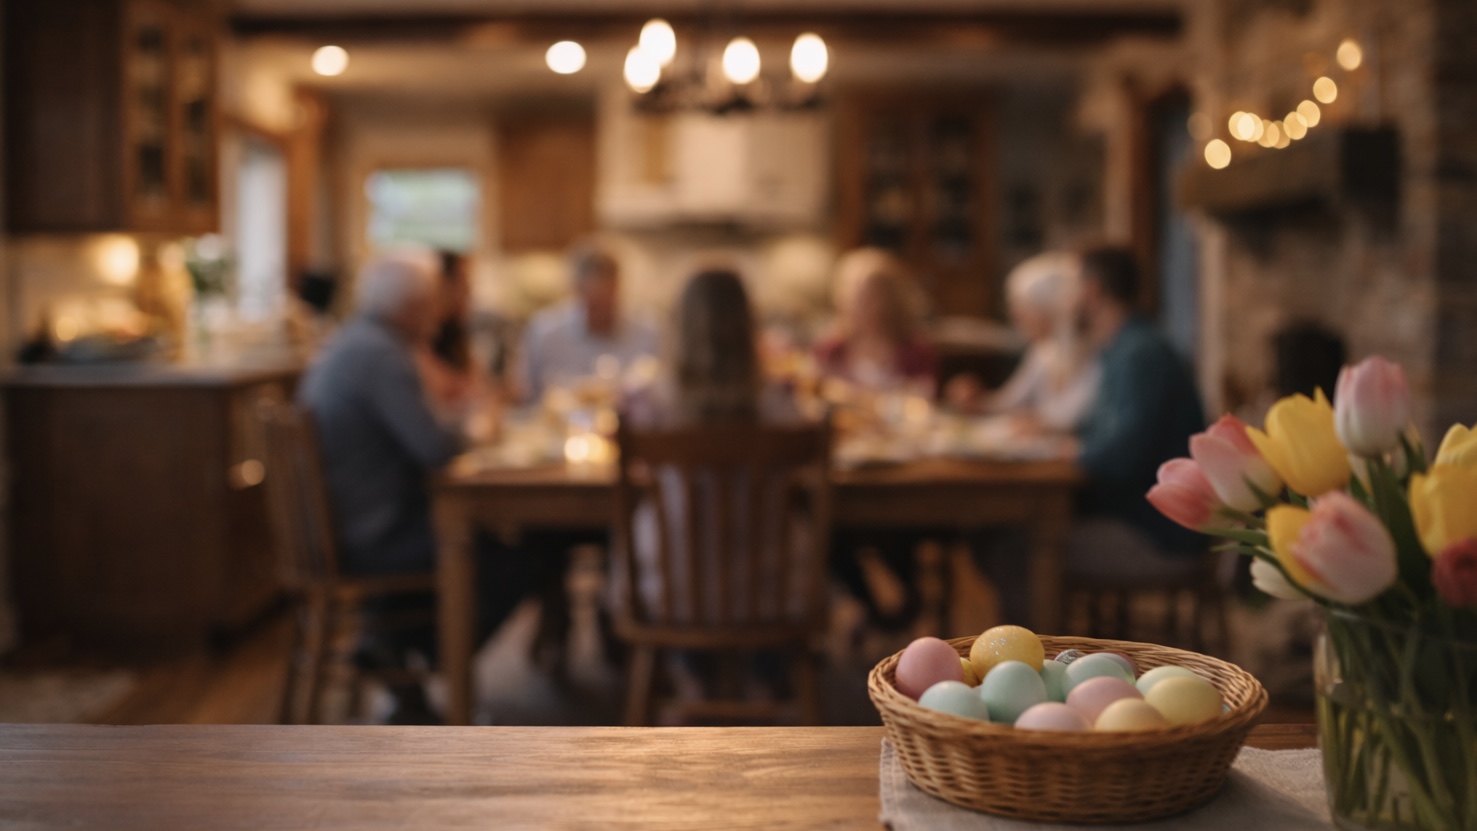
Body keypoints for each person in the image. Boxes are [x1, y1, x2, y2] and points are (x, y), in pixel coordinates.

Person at [297, 249, 542, 722]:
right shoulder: (383, 355)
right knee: (517, 555)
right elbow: (434, 447)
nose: (438, 313)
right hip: (372, 534)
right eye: (430, 303)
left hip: (347, 523)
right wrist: (472, 423)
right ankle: (426, 659)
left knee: (485, 542)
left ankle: (393, 649)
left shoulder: (357, 342)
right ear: (409, 307)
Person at [1069, 246, 1207, 574]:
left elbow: (1122, 455)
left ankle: (1045, 629)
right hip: (1143, 518)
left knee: (1020, 552)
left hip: (1158, 533)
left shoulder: (1139, 354)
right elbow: (1104, 432)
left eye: (1073, 286)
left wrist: (1071, 451)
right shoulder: (1126, 346)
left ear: (1092, 291)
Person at [947, 252, 1102, 432]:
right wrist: (976, 400)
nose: (1016, 316)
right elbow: (1008, 403)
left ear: (1050, 308)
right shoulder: (1043, 351)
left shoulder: (1091, 353)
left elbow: (1078, 419)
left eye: (1024, 307)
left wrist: (1039, 423)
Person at [518, 245, 660, 404]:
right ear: (576, 291)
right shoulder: (544, 332)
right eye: (594, 304)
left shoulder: (648, 330)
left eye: (608, 302)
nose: (602, 312)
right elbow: (527, 395)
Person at [814, 249, 937, 393]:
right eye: (848, 295)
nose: (853, 305)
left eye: (866, 298)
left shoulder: (916, 352)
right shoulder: (831, 348)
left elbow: (925, 399)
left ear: (889, 300)